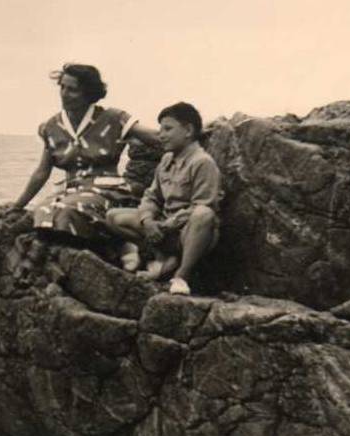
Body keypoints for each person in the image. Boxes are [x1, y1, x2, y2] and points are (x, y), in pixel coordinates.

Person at [12, 63, 161, 243]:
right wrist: (18, 206)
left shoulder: (113, 119)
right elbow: (42, 171)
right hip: (69, 191)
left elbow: (155, 137)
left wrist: (194, 133)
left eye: (72, 90)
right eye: (62, 87)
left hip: (108, 190)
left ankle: (117, 247)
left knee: (68, 211)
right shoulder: (51, 127)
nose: (64, 94)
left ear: (88, 94)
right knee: (44, 211)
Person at [105, 102, 221, 296]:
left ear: (188, 130)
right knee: (112, 217)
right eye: (160, 129)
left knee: (204, 214)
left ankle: (182, 274)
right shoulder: (167, 159)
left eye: (168, 129)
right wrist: (148, 221)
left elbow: (202, 206)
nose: (161, 134)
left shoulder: (202, 162)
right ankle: (165, 258)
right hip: (164, 230)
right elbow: (151, 196)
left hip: (190, 233)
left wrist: (166, 225)